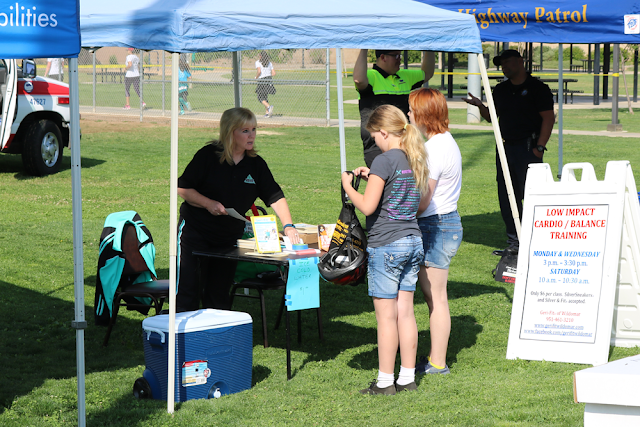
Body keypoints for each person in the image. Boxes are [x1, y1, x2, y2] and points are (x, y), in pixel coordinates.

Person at [177, 107, 300, 312]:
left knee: (218, 295)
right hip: (195, 233)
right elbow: (182, 188)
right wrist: (208, 203)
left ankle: (216, 331)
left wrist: (288, 226)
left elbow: (275, 196)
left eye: (254, 129)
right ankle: (182, 330)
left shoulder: (256, 165)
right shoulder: (208, 156)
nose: (252, 135)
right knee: (187, 292)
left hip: (228, 238)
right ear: (230, 132)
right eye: (245, 131)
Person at [342, 104, 428, 395]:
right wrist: (373, 178)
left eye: (374, 137)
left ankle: (384, 382)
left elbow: (367, 206)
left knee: (386, 317)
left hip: (387, 244)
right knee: (406, 313)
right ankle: (407, 378)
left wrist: (349, 187)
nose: (374, 142)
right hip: (413, 241)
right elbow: (402, 193)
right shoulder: (414, 156)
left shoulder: (383, 160)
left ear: (383, 132)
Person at [463, 49, 554, 255]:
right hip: (504, 147)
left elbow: (548, 118)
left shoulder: (538, 88)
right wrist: (479, 106)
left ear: (520, 62)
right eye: (501, 63)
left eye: (508, 62)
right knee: (506, 195)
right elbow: (492, 117)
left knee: (530, 194)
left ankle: (535, 240)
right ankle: (514, 243)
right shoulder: (501, 89)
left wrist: (540, 147)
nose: (504, 67)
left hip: (528, 148)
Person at [408, 88, 463, 375]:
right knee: (434, 297)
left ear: (423, 115)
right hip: (443, 223)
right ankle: (434, 358)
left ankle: (438, 363)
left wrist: (401, 214)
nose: (408, 114)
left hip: (436, 225)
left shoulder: (435, 149)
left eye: (411, 110)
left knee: (436, 298)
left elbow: (423, 200)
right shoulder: (446, 142)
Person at [353, 49, 435, 168]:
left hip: (404, 147)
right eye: (396, 56)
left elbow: (427, 73)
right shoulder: (371, 76)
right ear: (383, 57)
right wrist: (364, 48)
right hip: (378, 147)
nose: (399, 59)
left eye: (400, 55)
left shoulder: (405, 76)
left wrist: (429, 47)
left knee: (403, 180)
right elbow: (359, 80)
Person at [255, 51, 276, 118]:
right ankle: (267, 113)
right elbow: (273, 73)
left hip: (262, 80)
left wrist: (256, 77)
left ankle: (269, 107)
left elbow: (259, 71)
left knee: (260, 97)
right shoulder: (269, 63)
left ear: (261, 56)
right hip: (269, 79)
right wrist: (268, 75)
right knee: (265, 97)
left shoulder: (258, 62)